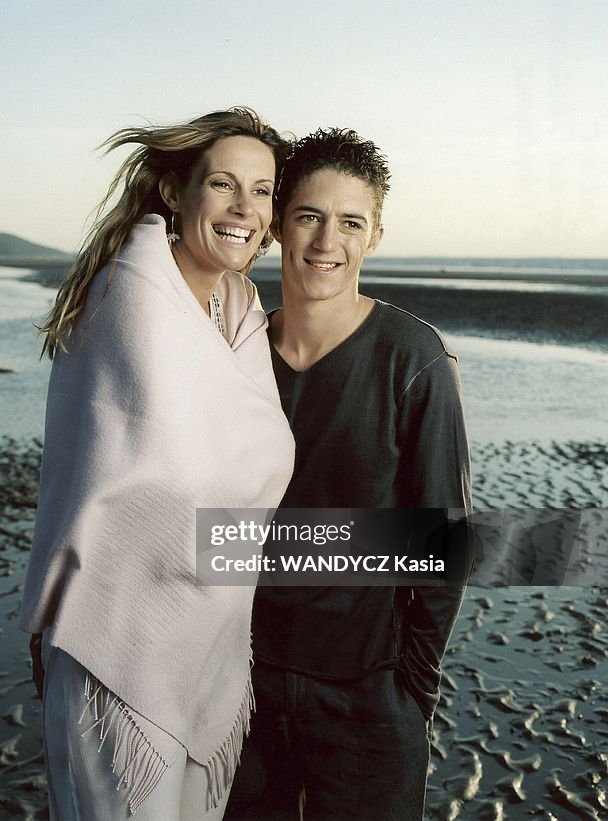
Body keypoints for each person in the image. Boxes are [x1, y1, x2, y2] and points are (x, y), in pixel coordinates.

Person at [19, 108, 295, 820]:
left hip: (210, 644)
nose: (246, 208)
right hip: (118, 641)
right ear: (175, 192)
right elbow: (165, 487)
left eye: (263, 191)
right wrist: (390, 549)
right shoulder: (131, 294)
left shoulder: (236, 310)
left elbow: (237, 480)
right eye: (226, 185)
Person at [225, 129, 473, 820]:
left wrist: (408, 690)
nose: (326, 239)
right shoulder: (238, 355)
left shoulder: (414, 358)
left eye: (350, 221)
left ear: (375, 236)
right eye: (308, 215)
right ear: (278, 224)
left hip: (367, 698)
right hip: (241, 692)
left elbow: (443, 539)